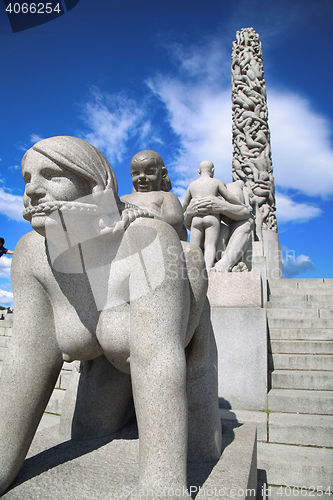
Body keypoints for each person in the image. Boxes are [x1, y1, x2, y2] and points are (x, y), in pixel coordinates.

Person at [0, 136, 221, 498]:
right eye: (26, 179)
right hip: (108, 353)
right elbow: (25, 360)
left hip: (181, 340)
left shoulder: (146, 239)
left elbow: (157, 358)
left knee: (199, 449)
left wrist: (161, 486)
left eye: (51, 176)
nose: (32, 191)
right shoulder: (31, 256)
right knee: (91, 431)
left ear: (95, 185)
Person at [183, 161, 245, 270]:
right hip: (212, 217)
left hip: (196, 219)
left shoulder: (192, 185)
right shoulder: (216, 182)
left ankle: (193, 270)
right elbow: (229, 197)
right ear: (212, 170)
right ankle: (206, 269)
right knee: (210, 246)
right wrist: (240, 204)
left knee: (194, 248)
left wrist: (187, 211)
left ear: (199, 171)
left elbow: (185, 205)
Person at [121, 149, 186, 239]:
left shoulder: (167, 196)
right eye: (136, 173)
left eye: (149, 172)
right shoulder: (123, 199)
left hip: (159, 240)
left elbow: (177, 221)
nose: (142, 176)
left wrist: (149, 216)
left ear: (162, 173)